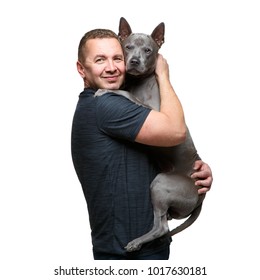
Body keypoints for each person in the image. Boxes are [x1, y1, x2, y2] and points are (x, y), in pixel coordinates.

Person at [71, 28, 213, 260]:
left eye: (117, 58)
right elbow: (175, 131)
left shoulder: (111, 100)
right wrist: (163, 74)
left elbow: (156, 151)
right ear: (81, 69)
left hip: (139, 245)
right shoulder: (106, 105)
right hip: (125, 253)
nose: (111, 67)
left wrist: (194, 170)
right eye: (99, 60)